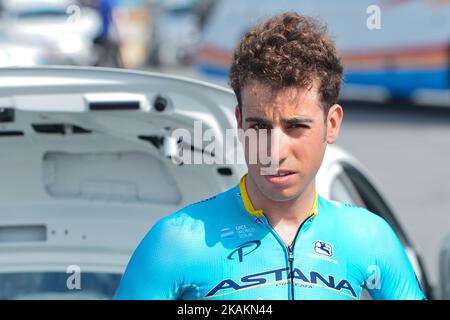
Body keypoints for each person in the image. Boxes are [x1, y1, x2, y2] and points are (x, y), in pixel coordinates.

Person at [114, 12, 426, 300]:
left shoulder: (370, 237)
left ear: (331, 124)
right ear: (239, 123)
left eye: (296, 127)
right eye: (260, 126)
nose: (274, 152)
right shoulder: (175, 242)